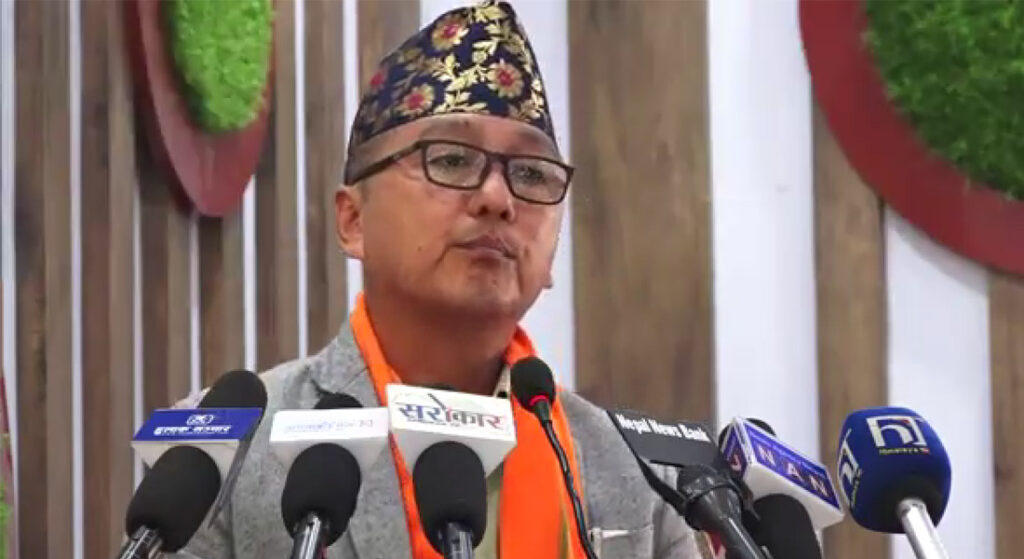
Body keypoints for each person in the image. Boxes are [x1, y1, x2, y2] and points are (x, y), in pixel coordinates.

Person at [176, 2, 705, 558]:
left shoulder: (636, 470)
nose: (497, 199)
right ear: (354, 221)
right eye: (452, 160)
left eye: (531, 174)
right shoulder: (221, 452)